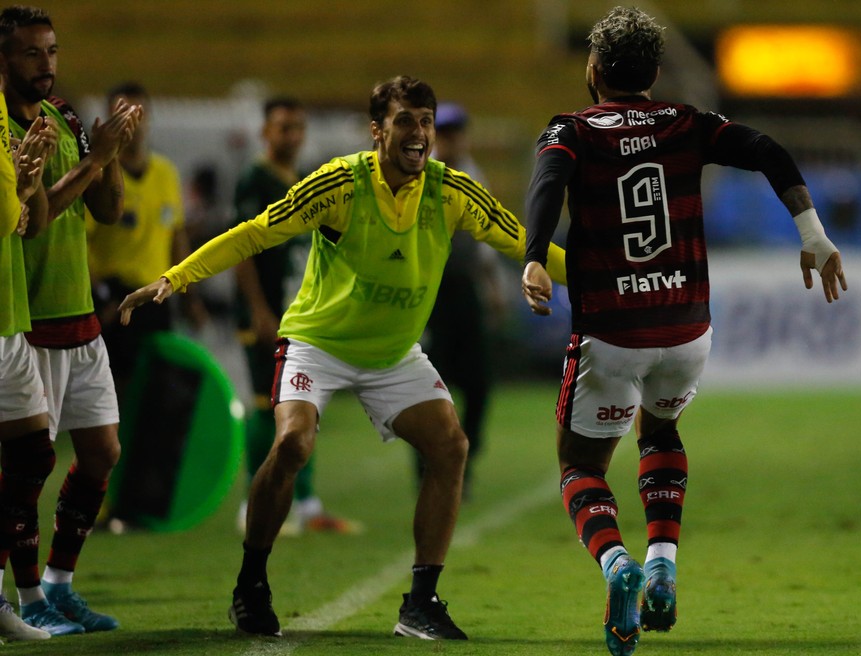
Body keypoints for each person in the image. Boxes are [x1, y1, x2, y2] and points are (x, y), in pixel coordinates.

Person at [118, 75, 566, 640]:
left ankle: (421, 602)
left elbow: (525, 243)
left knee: (450, 446)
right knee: (292, 444)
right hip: (318, 343)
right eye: (406, 120)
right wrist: (175, 278)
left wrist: (609, 282)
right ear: (377, 130)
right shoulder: (339, 184)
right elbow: (255, 234)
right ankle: (250, 585)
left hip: (393, 354)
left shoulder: (451, 190)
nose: (419, 133)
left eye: (425, 121)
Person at [521, 7, 848, 656]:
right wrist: (813, 233)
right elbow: (767, 151)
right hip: (687, 330)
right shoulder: (688, 123)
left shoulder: (572, 129)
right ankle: (664, 560)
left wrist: (534, 254)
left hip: (612, 332)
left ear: (592, 70)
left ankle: (620, 566)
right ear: (657, 72)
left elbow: (547, 181)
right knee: (662, 428)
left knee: (579, 464)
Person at [0, 5, 142, 636]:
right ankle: (27, 599)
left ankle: (59, 586)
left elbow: (108, 211)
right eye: (33, 53)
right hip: (30, 318)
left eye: (52, 52)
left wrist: (110, 155)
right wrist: (92, 161)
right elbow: (30, 225)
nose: (47, 65)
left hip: (81, 317)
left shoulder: (65, 121)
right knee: (30, 467)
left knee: (103, 452)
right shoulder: (4, 132)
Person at [232, 96, 358, 535]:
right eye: (283, 128)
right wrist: (259, 311)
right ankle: (252, 503)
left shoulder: (303, 180)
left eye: (298, 128)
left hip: (299, 315)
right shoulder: (255, 179)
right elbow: (243, 248)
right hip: (265, 314)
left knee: (305, 405)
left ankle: (304, 502)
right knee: (265, 407)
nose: (292, 136)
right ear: (265, 132)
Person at [87, 81, 203, 404]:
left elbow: (176, 236)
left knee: (159, 390)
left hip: (157, 298)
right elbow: (80, 243)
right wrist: (101, 296)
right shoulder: (99, 175)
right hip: (117, 300)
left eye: (138, 114)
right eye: (121, 115)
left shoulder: (166, 173)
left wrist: (189, 294)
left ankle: (147, 455)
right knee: (119, 392)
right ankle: (115, 454)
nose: (132, 125)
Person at [415, 101, 504, 499]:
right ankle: (428, 465)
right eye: (445, 132)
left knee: (479, 382)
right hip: (427, 292)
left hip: (463, 286)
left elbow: (483, 238)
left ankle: (462, 456)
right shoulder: (420, 176)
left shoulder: (472, 175)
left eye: (456, 132)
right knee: (431, 385)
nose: (452, 140)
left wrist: (492, 286)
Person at [0, 81, 57, 643]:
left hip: (9, 313)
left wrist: (25, 181)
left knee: (33, 456)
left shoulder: (4, 117)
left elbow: (25, 223)